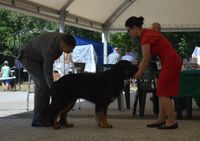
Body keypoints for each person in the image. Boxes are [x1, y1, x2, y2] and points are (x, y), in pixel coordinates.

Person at [125, 16, 182, 129]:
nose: (128, 32)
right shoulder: (147, 34)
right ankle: (161, 119)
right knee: (161, 91)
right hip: (170, 61)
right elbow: (147, 57)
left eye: (128, 29)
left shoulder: (146, 36)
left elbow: (146, 59)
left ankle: (171, 121)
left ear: (135, 27)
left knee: (164, 92)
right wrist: (137, 71)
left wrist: (139, 74)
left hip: (170, 62)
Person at [18, 31, 76, 127]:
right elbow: (47, 72)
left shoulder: (62, 39)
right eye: (70, 49)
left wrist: (53, 88)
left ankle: (46, 118)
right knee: (43, 85)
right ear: (62, 45)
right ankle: (37, 119)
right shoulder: (51, 48)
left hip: (39, 58)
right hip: (28, 57)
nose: (71, 51)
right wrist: (54, 89)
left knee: (45, 86)